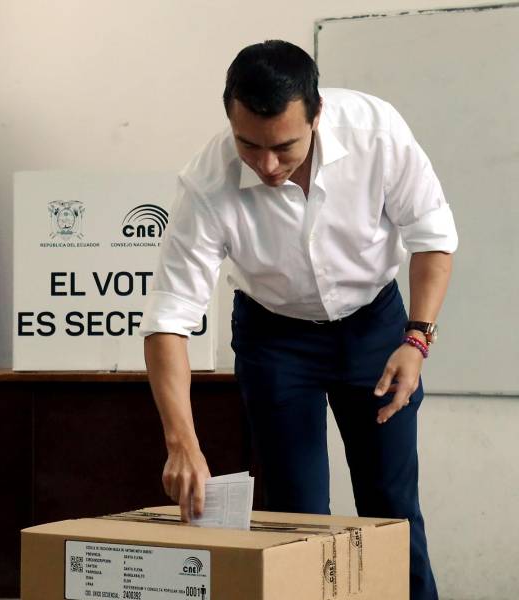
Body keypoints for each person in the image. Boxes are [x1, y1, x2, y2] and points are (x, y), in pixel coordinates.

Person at [140, 40, 457, 600]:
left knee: (391, 508)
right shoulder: (206, 183)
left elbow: (431, 237)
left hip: (375, 329)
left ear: (316, 114)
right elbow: (169, 318)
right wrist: (181, 442)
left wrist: (417, 339)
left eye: (283, 147)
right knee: (296, 516)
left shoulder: (375, 132)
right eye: (249, 145)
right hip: (275, 339)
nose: (267, 165)